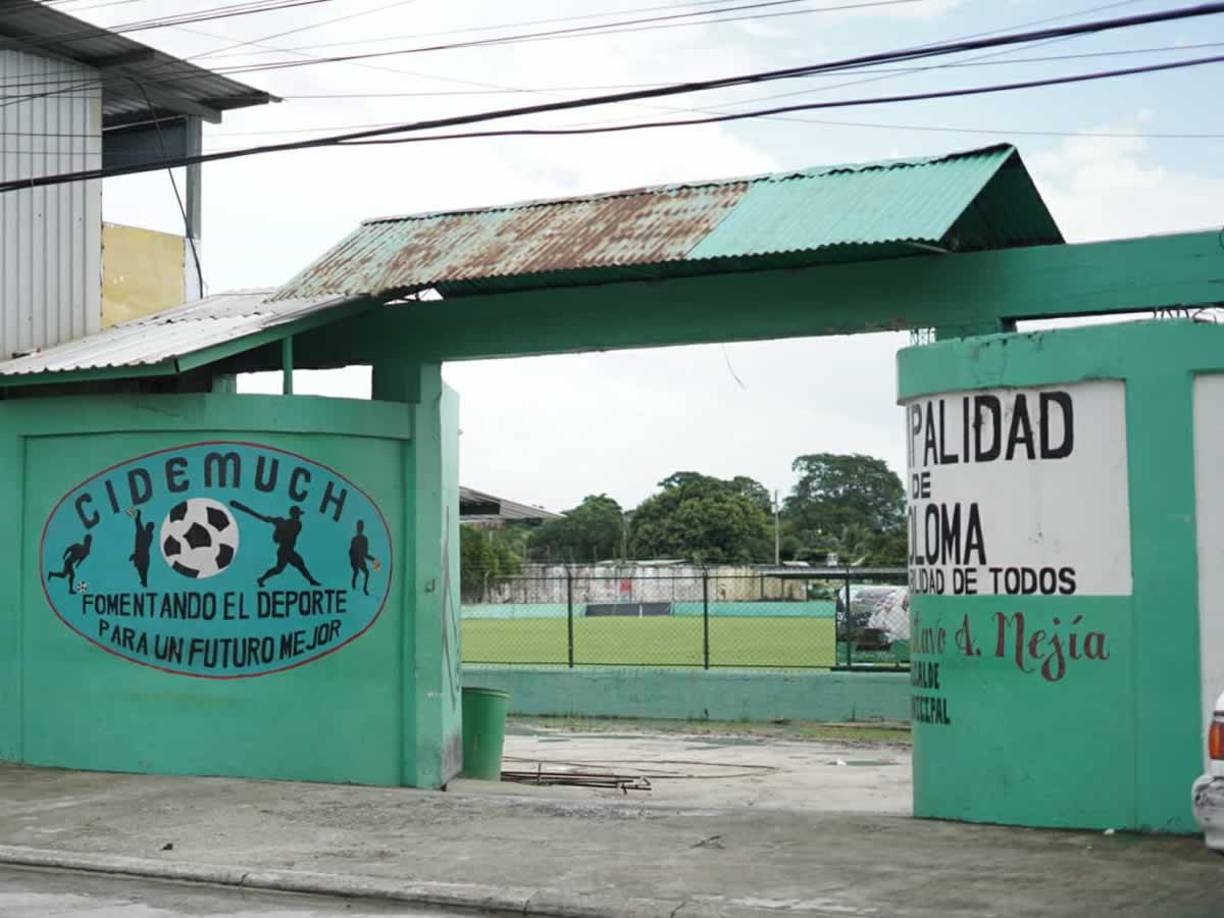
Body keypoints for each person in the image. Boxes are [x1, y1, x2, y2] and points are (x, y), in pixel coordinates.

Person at [231, 501, 320, 588]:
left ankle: (311, 581)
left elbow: (288, 530)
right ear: (293, 514)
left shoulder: (297, 524)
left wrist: (278, 522)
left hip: (288, 551)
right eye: (297, 514)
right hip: (284, 551)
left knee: (292, 566)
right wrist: (276, 522)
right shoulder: (287, 522)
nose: (298, 516)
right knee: (280, 569)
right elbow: (277, 535)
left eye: (298, 514)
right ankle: (262, 579)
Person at [348, 520, 378, 595]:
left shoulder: (365, 539)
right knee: (356, 572)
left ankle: (364, 588)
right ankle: (353, 583)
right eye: (359, 527)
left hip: (360, 560)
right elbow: (350, 552)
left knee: (366, 573)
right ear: (357, 528)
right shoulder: (354, 539)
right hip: (354, 561)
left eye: (361, 527)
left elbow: (365, 554)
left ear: (362, 528)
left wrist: (373, 559)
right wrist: (354, 559)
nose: (360, 528)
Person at [128, 508, 155, 588]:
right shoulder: (147, 534)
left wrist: (138, 514)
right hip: (143, 556)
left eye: (148, 526)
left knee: (142, 571)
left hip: (142, 556)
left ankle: (144, 582)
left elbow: (138, 522)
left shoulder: (145, 534)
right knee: (142, 571)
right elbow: (138, 522)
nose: (147, 527)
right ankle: (144, 582)